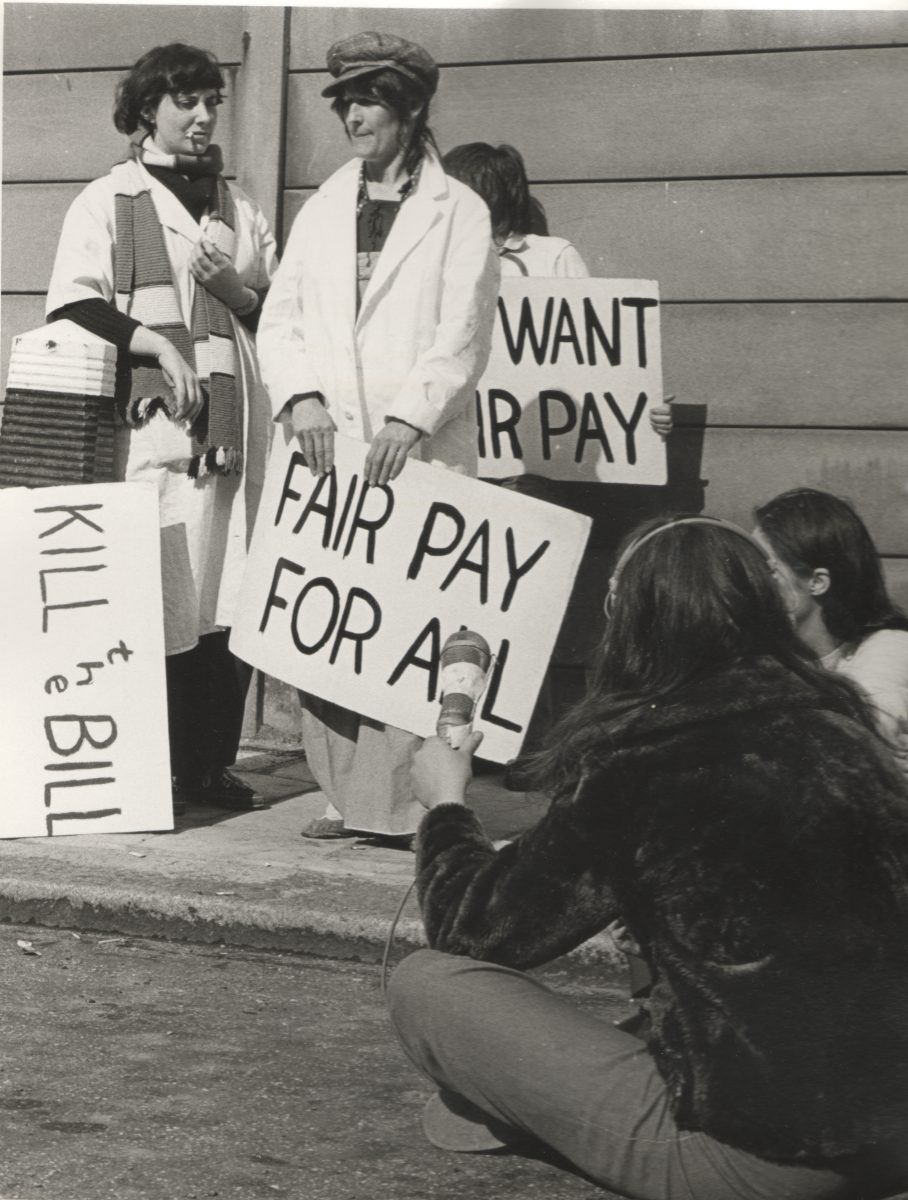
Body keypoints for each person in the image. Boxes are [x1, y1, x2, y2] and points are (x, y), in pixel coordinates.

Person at [388, 514, 908, 1200]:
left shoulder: (644, 761)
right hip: (892, 1133)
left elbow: (475, 929)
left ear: (632, 621)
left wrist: (447, 807)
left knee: (427, 984)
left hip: (756, 1157)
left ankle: (529, 1108)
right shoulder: (849, 733)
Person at [257, 33, 499, 844]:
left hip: (416, 450)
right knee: (340, 624)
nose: (352, 116)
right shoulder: (325, 205)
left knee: (418, 625)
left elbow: (463, 330)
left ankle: (412, 800)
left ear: (411, 109)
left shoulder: (459, 210)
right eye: (345, 103)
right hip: (331, 450)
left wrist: (411, 415)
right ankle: (346, 795)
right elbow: (281, 319)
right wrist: (303, 398)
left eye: (368, 101)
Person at [45, 43, 279, 814]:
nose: (205, 118)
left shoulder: (237, 207)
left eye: (214, 102)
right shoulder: (110, 200)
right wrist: (152, 342)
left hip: (233, 434)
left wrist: (236, 292)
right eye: (187, 103)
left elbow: (280, 315)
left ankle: (209, 768)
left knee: (226, 601)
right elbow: (75, 301)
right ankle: (150, 768)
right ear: (148, 110)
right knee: (159, 599)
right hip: (154, 438)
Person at [754, 487, 908, 774]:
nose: (751, 580)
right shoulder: (766, 655)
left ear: (817, 582)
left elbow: (854, 737)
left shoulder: (890, 650)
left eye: (768, 569)